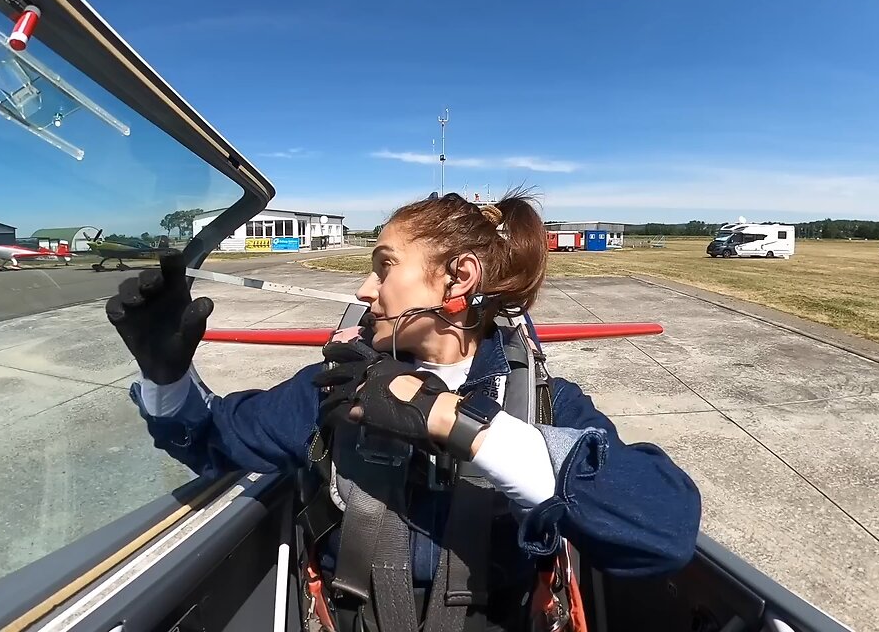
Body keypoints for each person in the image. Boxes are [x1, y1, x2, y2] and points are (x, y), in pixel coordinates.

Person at [107, 190, 702, 632]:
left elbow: (662, 531)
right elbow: (210, 438)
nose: (366, 289)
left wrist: (454, 423)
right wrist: (167, 376)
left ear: (457, 280)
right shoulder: (334, 391)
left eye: (385, 265)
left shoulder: (544, 403)